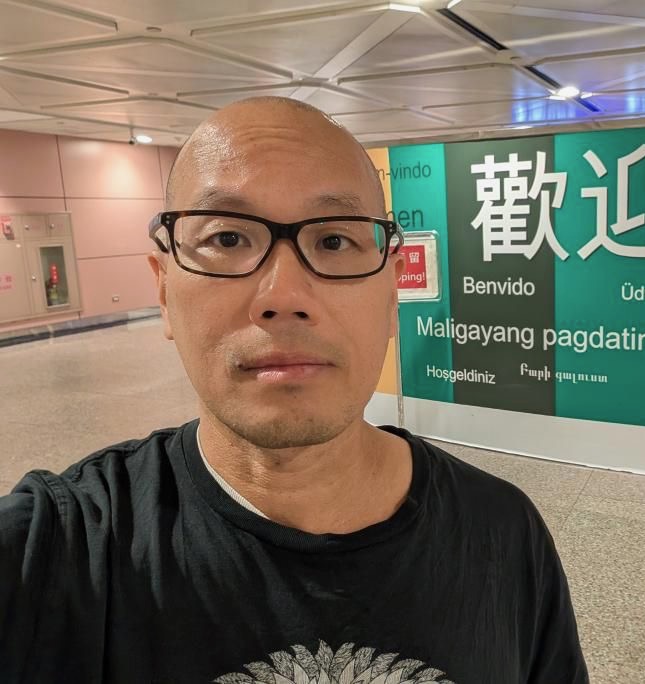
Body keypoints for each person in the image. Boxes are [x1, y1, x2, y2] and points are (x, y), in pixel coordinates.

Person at [0, 97, 589, 683]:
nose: (283, 295)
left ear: (391, 292)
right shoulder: (57, 552)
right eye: (227, 239)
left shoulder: (503, 534)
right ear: (163, 293)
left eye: (335, 242)